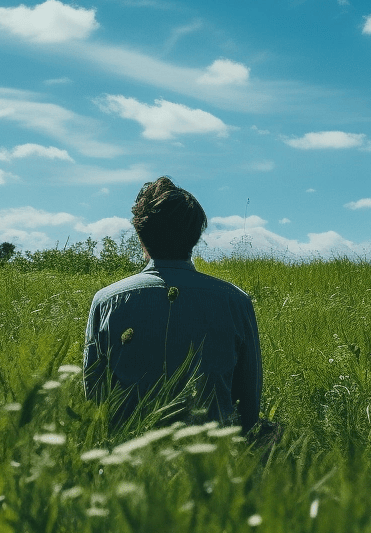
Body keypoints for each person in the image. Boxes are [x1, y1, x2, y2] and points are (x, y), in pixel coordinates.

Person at [83, 177, 263, 432]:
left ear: (140, 234)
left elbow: (95, 397)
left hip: (129, 460)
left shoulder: (107, 301)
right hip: (213, 461)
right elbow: (249, 402)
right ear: (196, 235)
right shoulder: (236, 301)